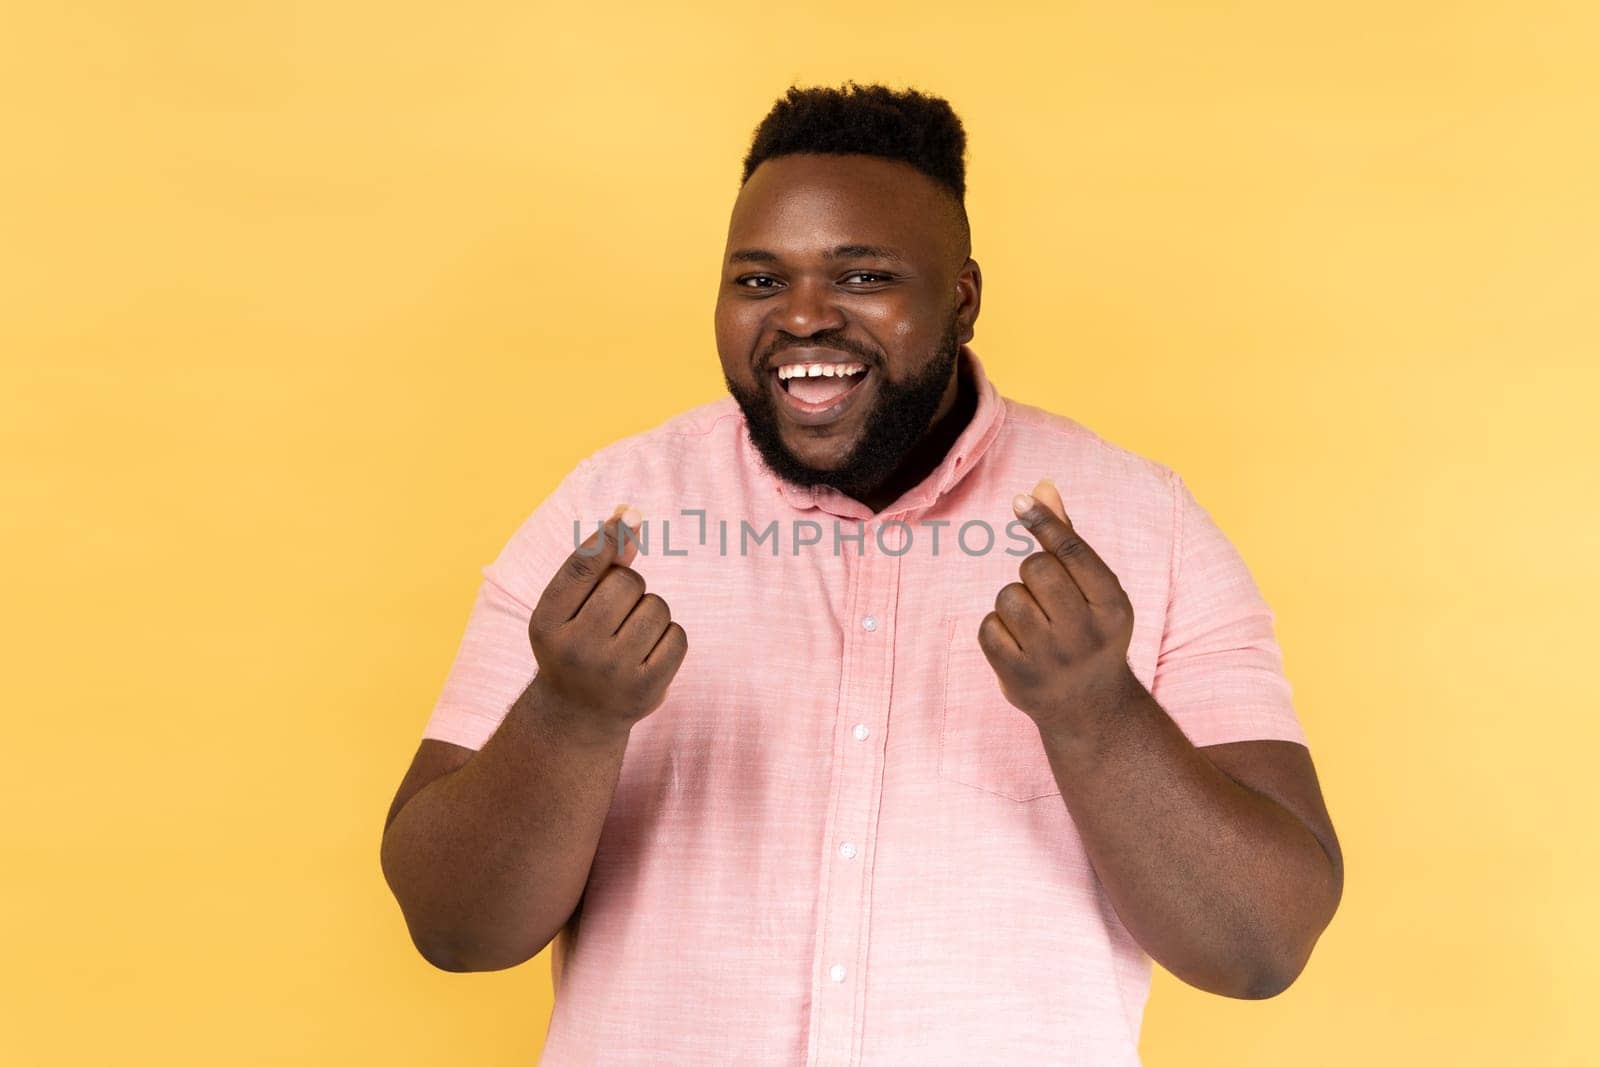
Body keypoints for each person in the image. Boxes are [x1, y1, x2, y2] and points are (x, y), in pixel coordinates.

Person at [379, 82, 1342, 1066]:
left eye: (861, 276)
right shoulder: (610, 512)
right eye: (758, 281)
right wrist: (570, 712)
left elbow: (1257, 947)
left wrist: (1096, 708)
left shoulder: (1146, 523)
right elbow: (454, 931)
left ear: (961, 298)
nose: (802, 317)